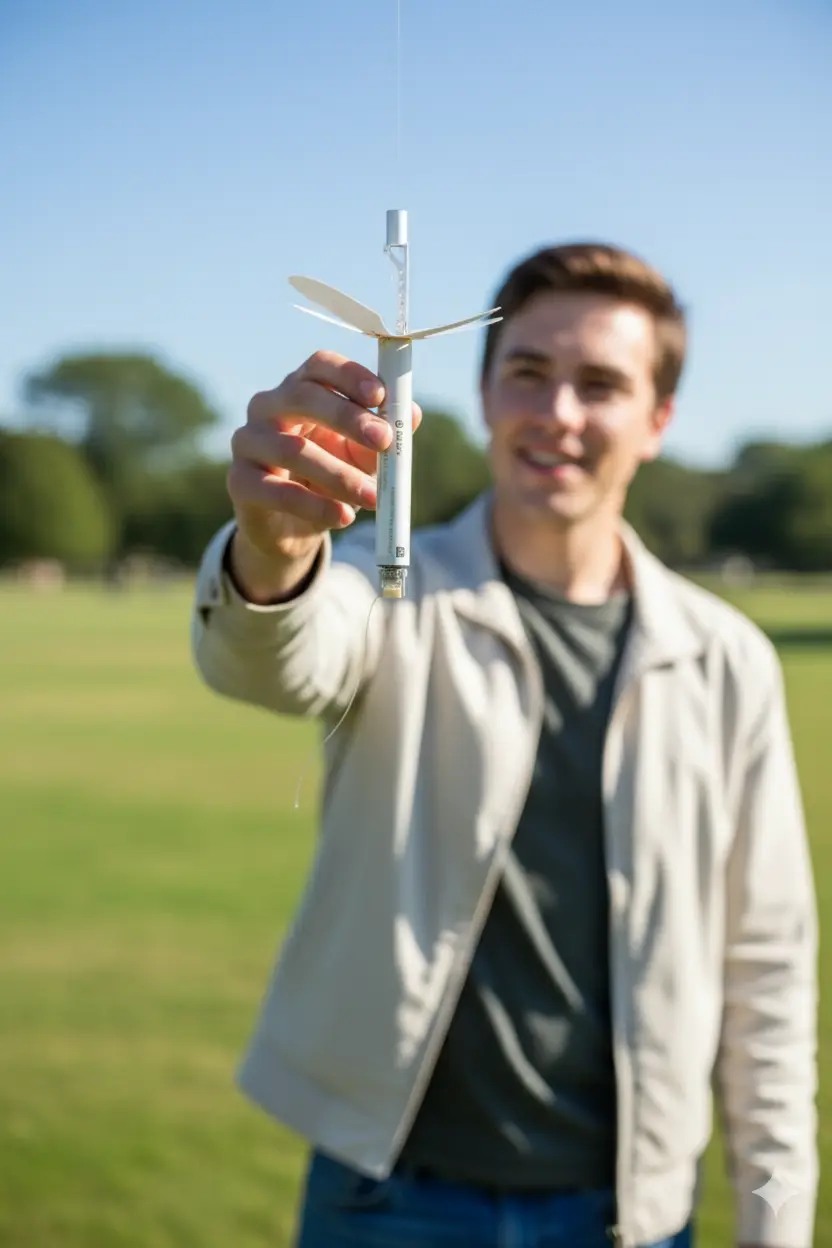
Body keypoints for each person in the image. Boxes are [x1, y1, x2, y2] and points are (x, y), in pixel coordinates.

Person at [190, 242, 819, 1248]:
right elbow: (276, 658)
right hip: (388, 1200)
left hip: (628, 1212)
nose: (557, 412)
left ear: (656, 421)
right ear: (483, 391)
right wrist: (273, 548)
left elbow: (766, 975)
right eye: (527, 372)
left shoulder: (726, 662)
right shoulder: (395, 591)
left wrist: (774, 1225)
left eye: (600, 385)